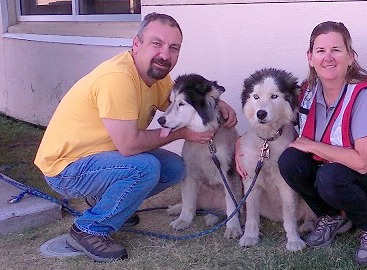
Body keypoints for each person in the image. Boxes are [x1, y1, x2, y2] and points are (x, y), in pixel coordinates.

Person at [34, 12, 237, 263]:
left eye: (173, 48)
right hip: (66, 167)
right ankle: (88, 229)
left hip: (101, 157)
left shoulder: (156, 77)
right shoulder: (118, 79)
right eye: (156, 43)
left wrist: (218, 102)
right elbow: (129, 146)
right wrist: (185, 133)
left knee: (173, 167)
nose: (165, 54)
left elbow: (183, 103)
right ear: (136, 44)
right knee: (145, 168)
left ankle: (110, 202)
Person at [277, 21, 367, 265]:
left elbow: (362, 162)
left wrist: (312, 145)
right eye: (320, 51)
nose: (328, 57)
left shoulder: (366, 94)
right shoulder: (308, 91)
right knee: (289, 161)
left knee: (329, 176)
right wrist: (245, 143)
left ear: (350, 57)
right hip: (336, 173)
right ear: (310, 58)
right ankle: (333, 216)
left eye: (336, 50)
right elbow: (273, 118)